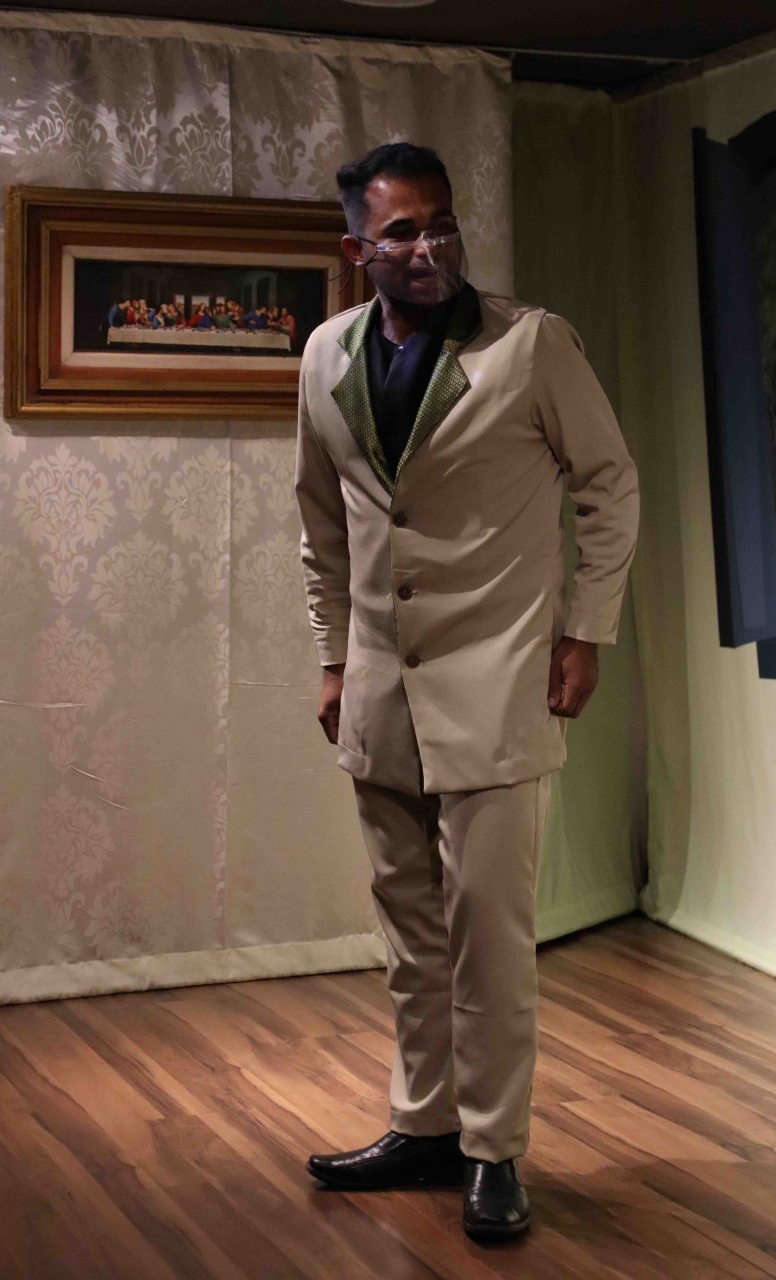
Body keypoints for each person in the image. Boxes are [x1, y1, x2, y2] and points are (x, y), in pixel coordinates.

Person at [294, 142, 639, 1242]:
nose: (429, 245)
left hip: (499, 681)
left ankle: (493, 1149)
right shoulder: (325, 353)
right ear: (357, 248)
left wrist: (585, 629)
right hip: (379, 690)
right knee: (411, 936)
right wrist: (334, 658)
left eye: (440, 222)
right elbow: (322, 522)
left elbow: (609, 484)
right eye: (400, 230)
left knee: (489, 935)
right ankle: (424, 1125)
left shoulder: (529, 344)